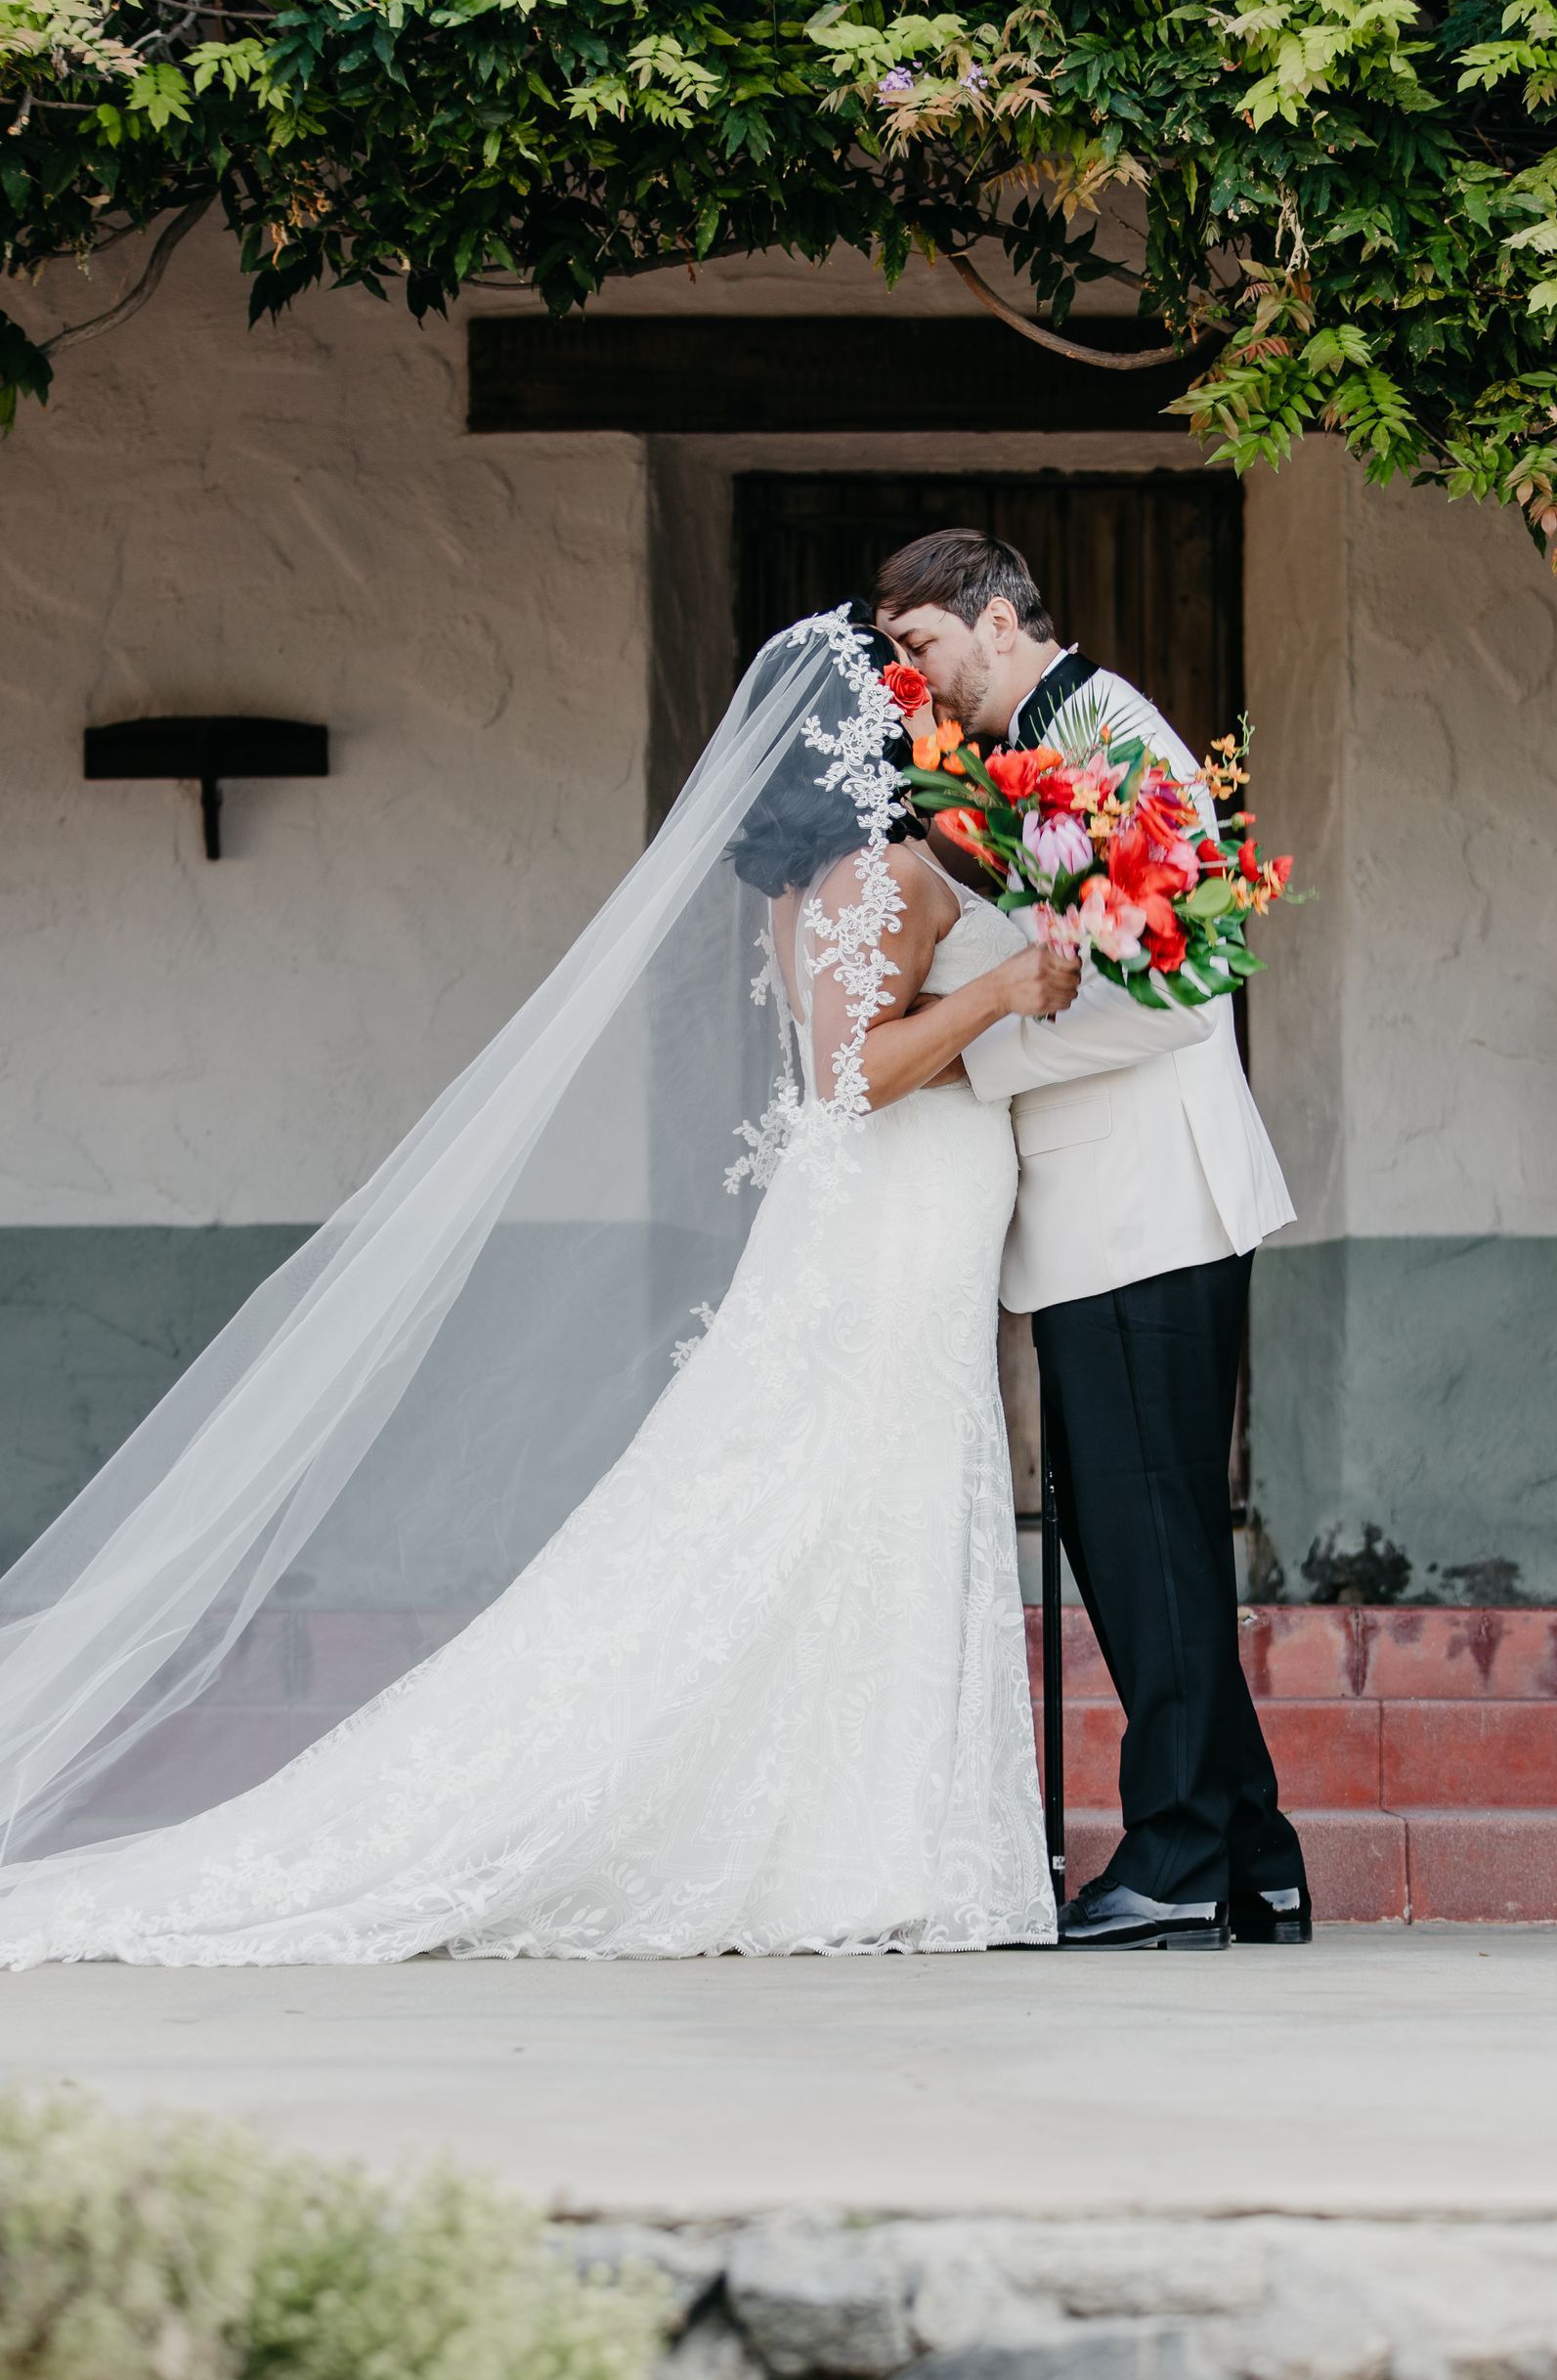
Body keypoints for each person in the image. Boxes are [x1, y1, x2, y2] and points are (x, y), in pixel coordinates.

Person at [0, 611, 1077, 1966]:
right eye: (911, 704)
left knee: (849, 1500)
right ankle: (860, 1846)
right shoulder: (877, 875)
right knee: (862, 1494)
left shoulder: (818, 882)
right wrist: (1009, 992)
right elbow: (852, 1076)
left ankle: (871, 1829)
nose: (935, 723)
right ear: (868, 733)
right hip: (889, 1221)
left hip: (886, 1224)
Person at [876, 530, 1313, 1950]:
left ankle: (1177, 1862)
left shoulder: (1114, 741)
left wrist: (979, 1056)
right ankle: (1255, 1860)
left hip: (1143, 1205)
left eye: (923, 647)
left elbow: (1181, 994)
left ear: (997, 623)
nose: (913, 678)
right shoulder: (1039, 757)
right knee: (1150, 1541)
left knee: (1146, 1548)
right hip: (1108, 1213)